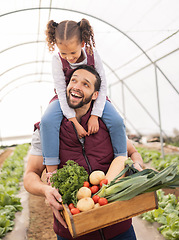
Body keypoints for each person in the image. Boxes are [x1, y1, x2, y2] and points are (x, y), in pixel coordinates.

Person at [24, 65, 143, 240]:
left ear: (95, 95)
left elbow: (132, 153)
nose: (77, 86)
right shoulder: (46, 131)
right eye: (73, 80)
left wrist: (137, 167)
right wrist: (44, 190)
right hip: (74, 230)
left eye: (86, 84)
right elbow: (30, 175)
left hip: (118, 225)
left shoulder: (107, 125)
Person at [40, 18, 127, 178]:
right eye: (64, 53)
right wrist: (74, 122)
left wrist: (95, 115)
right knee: (47, 121)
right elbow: (60, 89)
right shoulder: (57, 60)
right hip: (65, 97)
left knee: (116, 121)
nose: (69, 58)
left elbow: (102, 85)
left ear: (82, 44)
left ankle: (122, 161)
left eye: (73, 52)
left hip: (94, 97)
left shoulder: (93, 53)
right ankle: (52, 173)